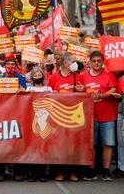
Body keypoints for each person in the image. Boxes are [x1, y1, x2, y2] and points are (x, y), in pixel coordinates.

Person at [81, 51, 118, 181]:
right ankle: (92, 170)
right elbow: (80, 91)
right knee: (92, 144)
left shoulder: (109, 74)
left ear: (102, 62)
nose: (96, 63)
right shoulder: (83, 76)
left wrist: (101, 96)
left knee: (108, 143)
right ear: (90, 62)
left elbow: (114, 89)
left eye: (99, 61)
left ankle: (106, 170)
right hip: (90, 116)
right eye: (94, 60)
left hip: (108, 115)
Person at [47, 52, 83, 182]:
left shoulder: (78, 77)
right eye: (72, 61)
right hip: (58, 116)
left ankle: (73, 172)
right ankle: (59, 172)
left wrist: (81, 91)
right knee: (59, 145)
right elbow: (48, 94)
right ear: (65, 63)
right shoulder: (54, 77)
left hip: (73, 115)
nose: (75, 63)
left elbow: (83, 95)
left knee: (73, 144)